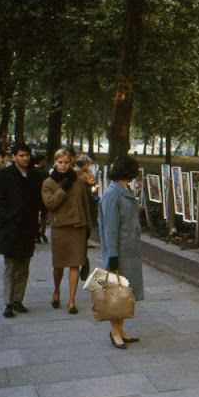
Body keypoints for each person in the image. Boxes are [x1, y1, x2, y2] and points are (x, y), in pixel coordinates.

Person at [0, 143, 43, 318]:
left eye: (27, 155)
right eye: (21, 155)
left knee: (24, 266)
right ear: (14, 157)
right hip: (10, 228)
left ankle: (18, 300)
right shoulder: (4, 175)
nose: (25, 158)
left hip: (28, 227)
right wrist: (10, 216)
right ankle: (8, 302)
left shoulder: (35, 176)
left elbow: (39, 199)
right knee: (10, 266)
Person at [99, 155, 143, 349]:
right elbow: (110, 228)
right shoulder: (112, 194)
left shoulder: (124, 190)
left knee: (126, 294)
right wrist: (112, 257)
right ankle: (115, 332)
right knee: (116, 294)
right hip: (120, 253)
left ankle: (121, 330)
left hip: (130, 250)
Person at [41, 148, 91, 314]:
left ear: (71, 163)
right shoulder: (48, 182)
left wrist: (88, 226)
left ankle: (71, 300)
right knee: (59, 265)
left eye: (66, 162)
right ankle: (56, 290)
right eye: (60, 162)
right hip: (60, 228)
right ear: (55, 162)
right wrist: (63, 189)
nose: (63, 166)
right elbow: (50, 204)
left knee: (75, 264)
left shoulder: (78, 180)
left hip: (77, 226)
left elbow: (85, 203)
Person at [31, 154, 49, 243]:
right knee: (44, 215)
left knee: (35, 215)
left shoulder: (31, 171)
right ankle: (42, 232)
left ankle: (36, 233)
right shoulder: (44, 172)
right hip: (43, 195)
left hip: (34, 196)